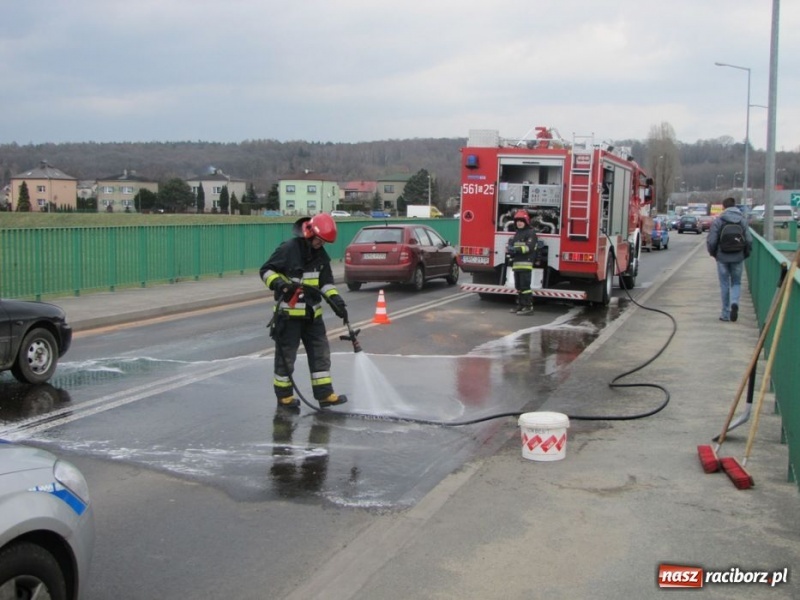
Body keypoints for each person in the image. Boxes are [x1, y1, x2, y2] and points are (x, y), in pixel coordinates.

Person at [260, 213, 349, 410]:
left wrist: (337, 302)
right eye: (319, 240)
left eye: (324, 242)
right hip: (289, 316)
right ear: (309, 233)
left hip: (312, 317)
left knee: (320, 355)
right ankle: (284, 397)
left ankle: (325, 395)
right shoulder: (288, 249)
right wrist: (281, 284)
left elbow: (326, 283)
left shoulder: (321, 256)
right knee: (286, 358)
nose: (321, 244)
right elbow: (266, 271)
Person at [706, 197, 753, 322]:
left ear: (723, 207)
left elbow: (712, 241)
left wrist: (714, 253)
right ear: (735, 206)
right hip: (738, 256)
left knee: (724, 284)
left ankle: (725, 313)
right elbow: (749, 240)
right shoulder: (742, 221)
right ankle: (734, 302)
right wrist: (745, 253)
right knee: (736, 282)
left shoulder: (719, 221)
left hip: (722, 256)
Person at [506, 209, 538, 315]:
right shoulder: (517, 233)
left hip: (526, 264)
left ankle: (528, 307)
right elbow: (512, 245)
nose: (519, 223)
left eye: (521, 221)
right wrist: (509, 249)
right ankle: (520, 306)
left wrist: (515, 249)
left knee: (525, 287)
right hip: (516, 264)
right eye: (517, 221)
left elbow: (529, 247)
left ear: (526, 221)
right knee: (518, 287)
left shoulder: (531, 233)